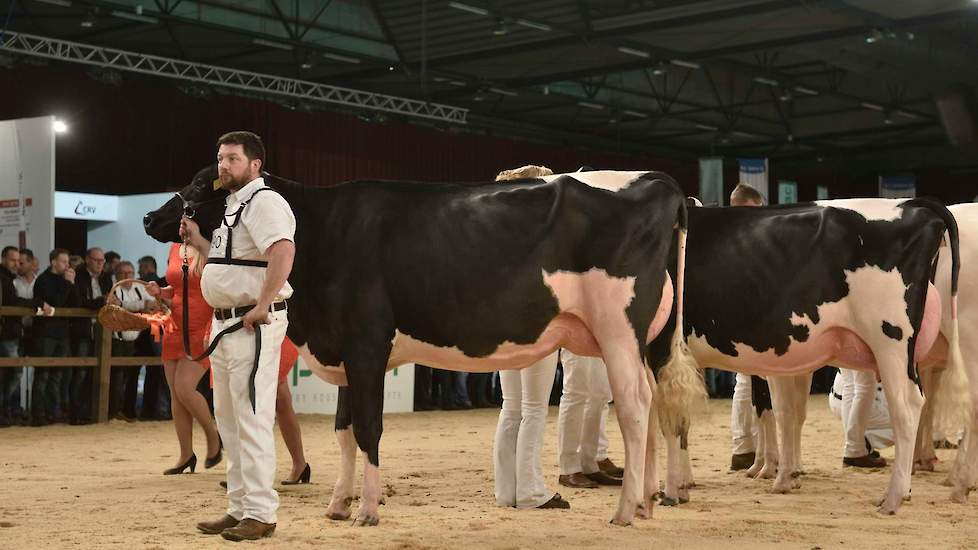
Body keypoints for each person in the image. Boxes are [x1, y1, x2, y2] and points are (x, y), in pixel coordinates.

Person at [186, 131, 295, 541]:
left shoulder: (265, 201)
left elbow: (283, 251)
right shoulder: (234, 204)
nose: (223, 166)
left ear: (255, 164)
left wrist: (264, 303)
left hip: (253, 322)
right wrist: (198, 241)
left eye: (232, 158)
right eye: (220, 159)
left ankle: (262, 513)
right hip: (226, 323)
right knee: (228, 419)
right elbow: (232, 261)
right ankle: (238, 507)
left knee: (250, 416)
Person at [492, 165, 568, 510]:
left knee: (512, 408)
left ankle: (506, 492)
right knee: (534, 409)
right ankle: (531, 492)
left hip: (504, 324)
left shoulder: (494, 231)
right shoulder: (540, 233)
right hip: (537, 322)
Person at [145, 243, 221, 474]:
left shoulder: (210, 244)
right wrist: (160, 292)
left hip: (202, 325)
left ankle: (213, 435)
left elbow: (215, 289)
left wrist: (212, 327)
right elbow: (177, 287)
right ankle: (186, 454)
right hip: (175, 324)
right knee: (175, 394)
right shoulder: (175, 247)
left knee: (185, 388)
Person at [728, 183, 764, 470]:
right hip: (743, 312)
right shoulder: (736, 235)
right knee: (747, 378)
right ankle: (743, 447)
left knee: (751, 378)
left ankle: (747, 447)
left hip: (751, 310)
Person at [556, 350, 623, 488]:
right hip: (576, 333)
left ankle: (590, 462)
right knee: (575, 392)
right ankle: (569, 468)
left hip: (603, 334)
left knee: (601, 393)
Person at [31, 248, 78, 425]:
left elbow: (75, 303)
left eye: (68, 262)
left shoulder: (66, 280)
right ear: (53, 262)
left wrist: (71, 284)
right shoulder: (43, 280)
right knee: (42, 374)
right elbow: (55, 302)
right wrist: (67, 284)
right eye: (64, 262)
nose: (67, 266)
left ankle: (53, 412)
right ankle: (38, 414)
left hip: (62, 333)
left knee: (57, 375)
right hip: (45, 334)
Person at [106, 261, 155, 422]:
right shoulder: (114, 290)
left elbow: (152, 305)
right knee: (117, 377)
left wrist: (132, 306)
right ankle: (114, 411)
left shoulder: (140, 288)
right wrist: (141, 306)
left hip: (137, 339)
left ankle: (129, 411)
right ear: (116, 275)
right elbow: (116, 307)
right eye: (123, 273)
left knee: (132, 377)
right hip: (118, 340)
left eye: (130, 273)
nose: (127, 277)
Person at [71, 248, 111, 424]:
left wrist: (106, 301)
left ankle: (90, 411)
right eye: (96, 260)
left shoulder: (106, 278)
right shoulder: (78, 276)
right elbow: (79, 303)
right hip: (82, 330)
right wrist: (101, 301)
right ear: (87, 260)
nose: (100, 264)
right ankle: (74, 412)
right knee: (79, 371)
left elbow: (110, 299)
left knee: (94, 373)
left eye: (102, 261)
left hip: (102, 330)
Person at [0, 247, 40, 427]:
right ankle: (6, 409)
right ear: (3, 259)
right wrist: (36, 304)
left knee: (11, 372)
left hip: (12, 332)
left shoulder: (8, 278)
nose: (16, 264)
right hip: (6, 332)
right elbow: (10, 301)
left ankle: (9, 409)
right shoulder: (4, 278)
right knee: (13, 371)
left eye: (18, 261)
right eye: (12, 260)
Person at [136, 255, 169, 420]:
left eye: (141, 268)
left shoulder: (150, 284)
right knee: (160, 372)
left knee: (160, 372)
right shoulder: (162, 284)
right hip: (156, 334)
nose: (138, 272)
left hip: (158, 334)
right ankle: (161, 410)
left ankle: (158, 410)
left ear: (148, 268)